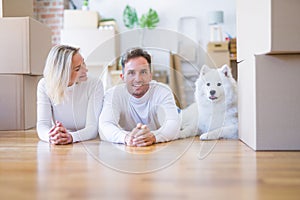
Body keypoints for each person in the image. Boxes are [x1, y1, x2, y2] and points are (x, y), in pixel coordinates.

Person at [99, 47, 180, 147]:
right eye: (131, 73)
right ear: (123, 77)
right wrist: (126, 137)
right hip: (129, 147)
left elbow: (173, 124)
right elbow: (105, 126)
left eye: (143, 72)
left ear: (150, 76)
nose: (138, 79)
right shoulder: (113, 94)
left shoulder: (163, 91)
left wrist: (153, 136)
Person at [37, 44, 104, 145]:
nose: (85, 70)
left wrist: (71, 137)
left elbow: (92, 128)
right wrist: (51, 137)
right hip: (60, 140)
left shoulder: (94, 84)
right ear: (62, 73)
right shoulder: (44, 85)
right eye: (77, 69)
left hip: (87, 143)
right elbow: (42, 125)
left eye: (84, 63)